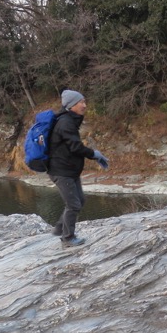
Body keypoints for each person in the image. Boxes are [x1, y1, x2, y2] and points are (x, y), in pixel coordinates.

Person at [48, 89, 109, 248]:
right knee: (74, 204)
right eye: (81, 102)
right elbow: (75, 147)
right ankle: (67, 238)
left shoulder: (70, 120)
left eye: (83, 101)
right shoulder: (66, 123)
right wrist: (94, 154)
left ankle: (60, 228)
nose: (84, 105)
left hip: (69, 170)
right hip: (61, 171)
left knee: (79, 200)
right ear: (71, 105)